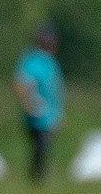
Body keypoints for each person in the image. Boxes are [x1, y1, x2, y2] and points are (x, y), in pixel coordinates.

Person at [14, 23, 64, 184]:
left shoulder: (49, 61)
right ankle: (37, 174)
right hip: (37, 110)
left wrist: (59, 113)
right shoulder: (32, 60)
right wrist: (27, 103)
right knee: (40, 144)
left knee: (45, 145)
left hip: (49, 111)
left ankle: (39, 173)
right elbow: (22, 83)